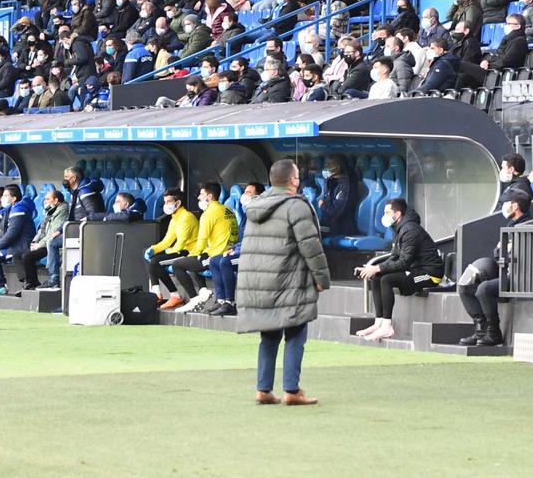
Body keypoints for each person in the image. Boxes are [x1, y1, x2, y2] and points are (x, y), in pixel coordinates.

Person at [236, 159, 332, 406]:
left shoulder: (256, 206)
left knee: (269, 336)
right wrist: (321, 278)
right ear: (293, 180)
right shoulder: (296, 206)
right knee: (296, 333)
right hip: (289, 280)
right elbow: (311, 247)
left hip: (260, 282)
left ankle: (263, 389)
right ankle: (291, 390)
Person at [457, 177, 533, 348]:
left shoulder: (528, 225)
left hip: (519, 277)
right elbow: (499, 252)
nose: (503, 207)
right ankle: (480, 331)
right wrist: (503, 249)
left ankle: (493, 332)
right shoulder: (511, 224)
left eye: (506, 203)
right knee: (465, 285)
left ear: (515, 206)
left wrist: (504, 249)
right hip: (505, 271)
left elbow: (515, 254)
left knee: (484, 289)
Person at [355, 198, 444, 340]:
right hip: (415, 269)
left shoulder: (410, 230)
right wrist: (374, 269)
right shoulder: (398, 229)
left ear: (397, 214)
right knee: (377, 276)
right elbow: (396, 256)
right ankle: (379, 323)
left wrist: (379, 267)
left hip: (429, 274)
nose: (384, 216)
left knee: (387, 280)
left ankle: (387, 327)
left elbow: (404, 262)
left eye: (387, 212)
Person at [169, 181, 241, 312]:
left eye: (202, 194)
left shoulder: (208, 214)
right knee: (192, 262)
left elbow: (201, 242)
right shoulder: (228, 209)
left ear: (209, 196)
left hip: (216, 254)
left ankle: (194, 299)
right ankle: (211, 296)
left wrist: (193, 256)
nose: (198, 197)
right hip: (230, 251)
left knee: (178, 265)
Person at [147, 188, 199, 305]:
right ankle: (162, 292)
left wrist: (168, 253)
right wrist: (154, 249)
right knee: (150, 256)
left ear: (178, 203)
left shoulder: (186, 217)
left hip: (187, 252)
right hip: (179, 250)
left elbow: (181, 243)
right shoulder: (174, 219)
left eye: (168, 202)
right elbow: (167, 241)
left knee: (156, 262)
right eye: (165, 202)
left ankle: (168, 294)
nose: (166, 205)